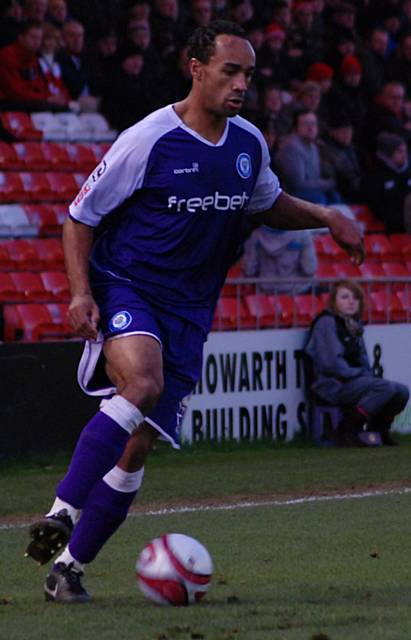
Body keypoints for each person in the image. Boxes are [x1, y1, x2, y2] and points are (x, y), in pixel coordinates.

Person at [24, 19, 363, 604]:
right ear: (196, 67)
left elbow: (267, 203)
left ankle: (68, 568)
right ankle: (61, 509)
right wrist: (81, 293)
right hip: (127, 283)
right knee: (145, 381)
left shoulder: (248, 143)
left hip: (190, 308)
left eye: (248, 75)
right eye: (229, 71)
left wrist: (326, 215)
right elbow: (80, 217)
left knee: (137, 445)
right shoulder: (149, 138)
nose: (240, 85)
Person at [305, 280, 409, 447]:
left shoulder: (354, 325)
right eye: (345, 297)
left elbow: (363, 361)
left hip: (353, 382)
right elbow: (332, 364)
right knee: (385, 387)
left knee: (402, 391)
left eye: (355, 297)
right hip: (332, 385)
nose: (351, 301)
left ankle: (378, 431)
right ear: (333, 301)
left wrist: (366, 377)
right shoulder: (326, 323)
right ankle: (347, 430)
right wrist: (360, 375)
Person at [361, 132, 411, 234]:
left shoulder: (408, 172)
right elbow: (375, 204)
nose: (404, 155)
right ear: (389, 154)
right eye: (399, 152)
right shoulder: (376, 176)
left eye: (405, 151)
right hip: (391, 227)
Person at [243, 226, 317, 294]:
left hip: (266, 291)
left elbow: (249, 270)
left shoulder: (255, 235)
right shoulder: (303, 234)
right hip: (297, 290)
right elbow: (309, 269)